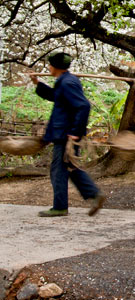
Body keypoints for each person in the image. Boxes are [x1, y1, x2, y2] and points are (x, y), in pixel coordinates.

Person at [30, 52, 105, 217]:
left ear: (55, 66)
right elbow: (56, 98)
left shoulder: (68, 82)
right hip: (64, 132)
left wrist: (75, 132)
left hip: (66, 134)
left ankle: (60, 206)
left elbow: (83, 106)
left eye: (50, 65)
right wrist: (38, 83)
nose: (48, 67)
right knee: (70, 168)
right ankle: (94, 194)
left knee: (58, 170)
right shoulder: (65, 81)